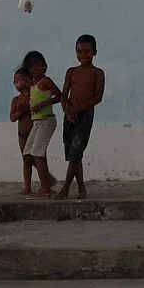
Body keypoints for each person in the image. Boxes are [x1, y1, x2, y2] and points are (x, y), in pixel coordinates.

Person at [55, 34, 105, 200]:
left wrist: (78, 109)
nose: (83, 55)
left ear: (94, 52)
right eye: (79, 52)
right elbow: (64, 93)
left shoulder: (98, 73)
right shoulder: (71, 72)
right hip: (70, 116)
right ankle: (82, 187)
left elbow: (97, 97)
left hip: (85, 116)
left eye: (86, 52)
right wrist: (66, 108)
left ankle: (66, 188)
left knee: (76, 152)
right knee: (74, 154)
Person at [21, 49, 60, 197]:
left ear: (44, 66)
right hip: (37, 122)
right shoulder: (33, 84)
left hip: (46, 121)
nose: (34, 69)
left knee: (37, 153)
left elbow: (59, 96)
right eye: (31, 67)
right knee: (28, 153)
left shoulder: (46, 81)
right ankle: (47, 179)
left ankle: (45, 188)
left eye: (37, 65)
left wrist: (43, 104)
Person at [8, 67, 35, 195]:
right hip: (22, 135)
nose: (21, 83)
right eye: (17, 81)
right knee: (26, 160)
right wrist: (20, 111)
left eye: (24, 80)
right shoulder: (16, 100)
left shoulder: (35, 97)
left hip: (35, 133)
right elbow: (12, 118)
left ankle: (45, 183)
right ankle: (27, 186)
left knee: (40, 159)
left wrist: (28, 108)